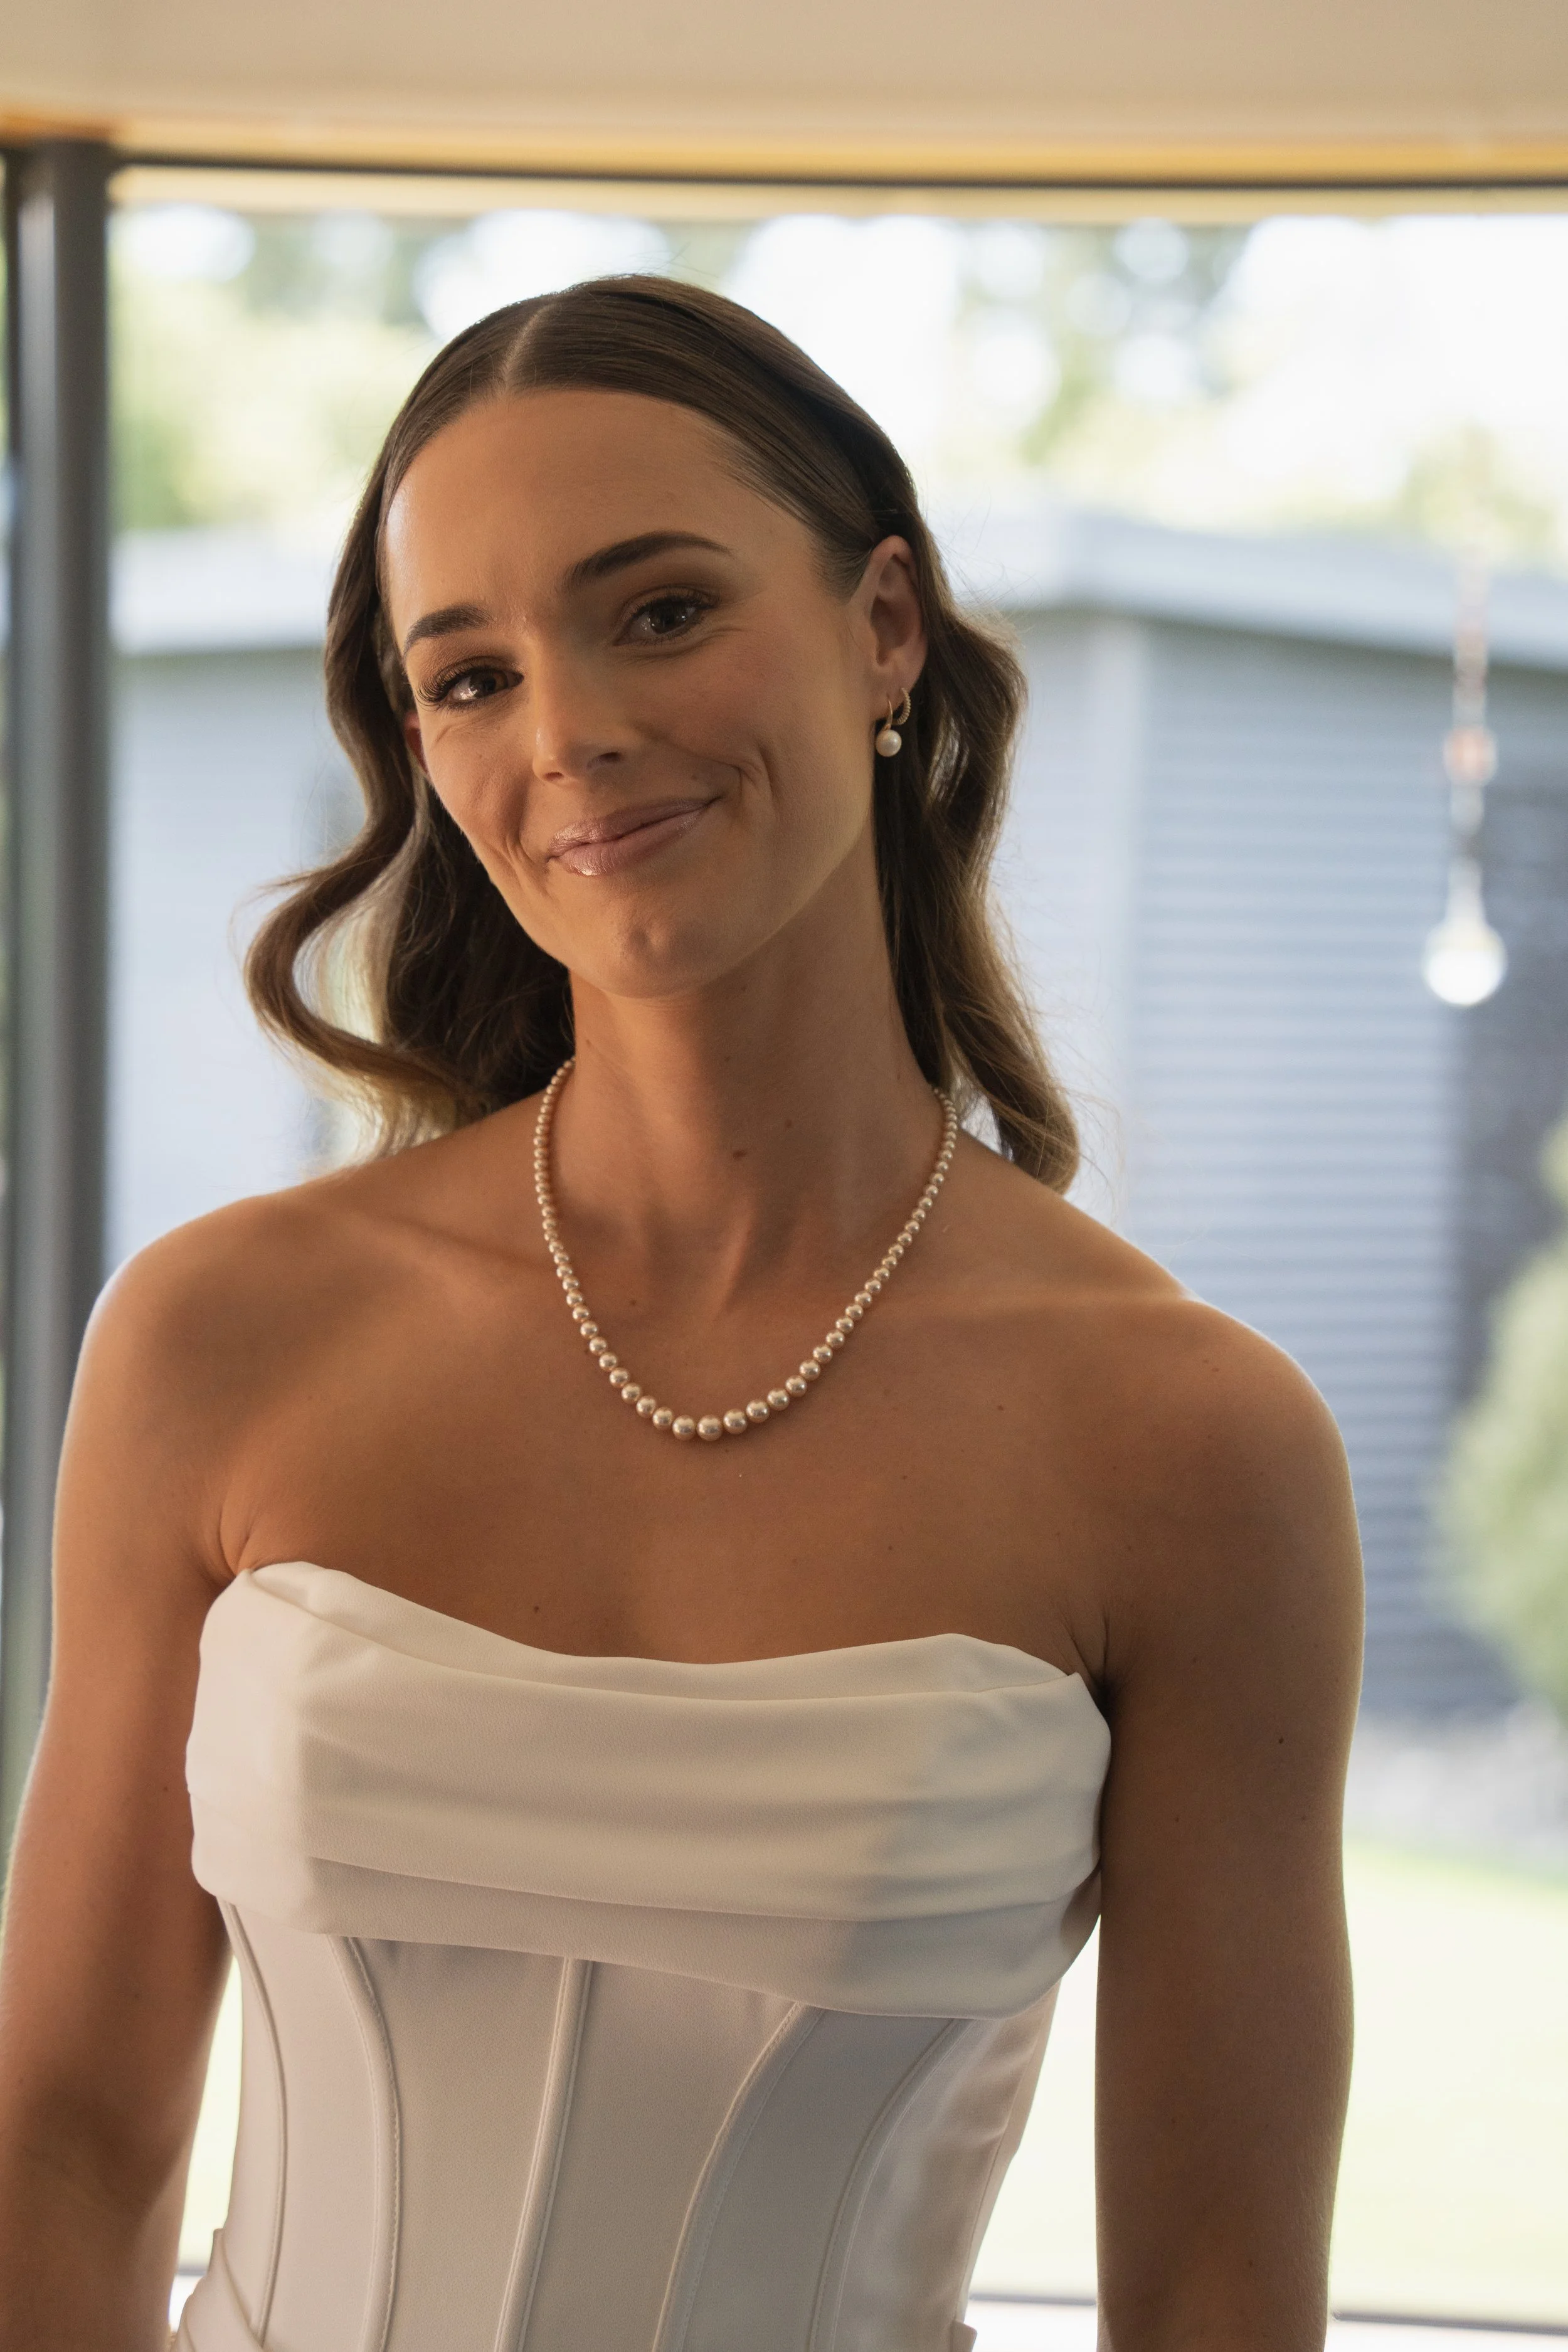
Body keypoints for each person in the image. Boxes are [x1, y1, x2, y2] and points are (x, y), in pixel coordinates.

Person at [0, 276, 1362, 2352]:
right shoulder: (218, 1340)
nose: (568, 733)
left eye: (656, 611)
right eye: (466, 675)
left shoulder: (1187, 1441)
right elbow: (66, 2143)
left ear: (883, 624)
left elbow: (1217, 2289)